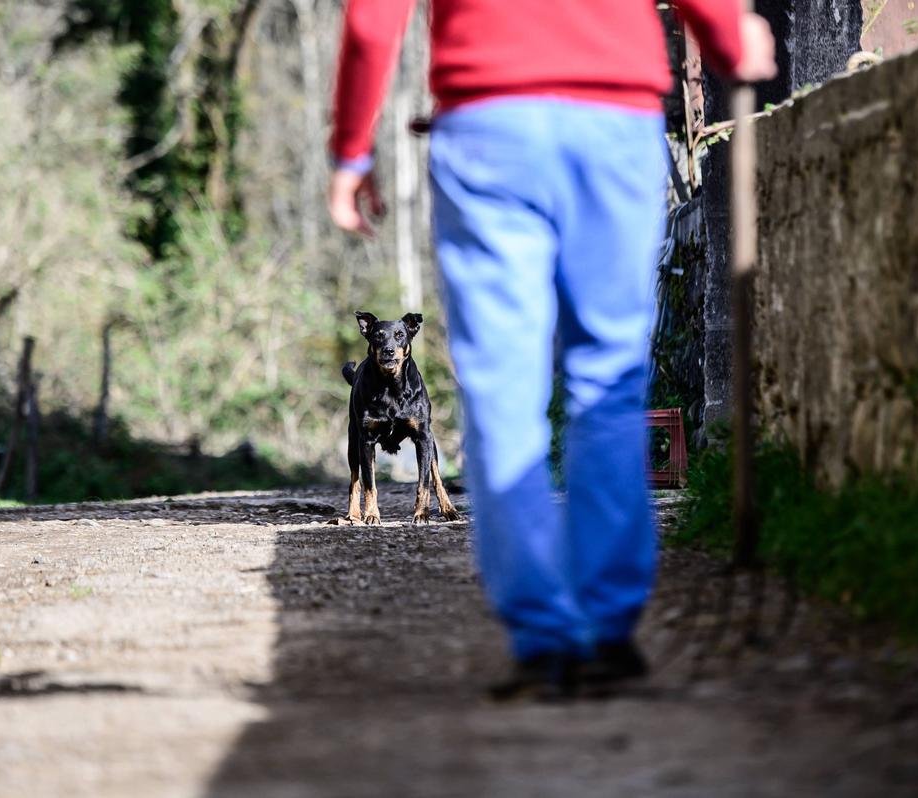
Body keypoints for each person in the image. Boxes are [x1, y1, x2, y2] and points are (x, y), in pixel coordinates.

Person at [329, 0, 777, 699]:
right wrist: (726, 33)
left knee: (502, 391)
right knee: (608, 380)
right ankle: (605, 629)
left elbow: (371, 19)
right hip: (612, 120)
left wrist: (353, 148)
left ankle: (543, 637)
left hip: (488, 128)